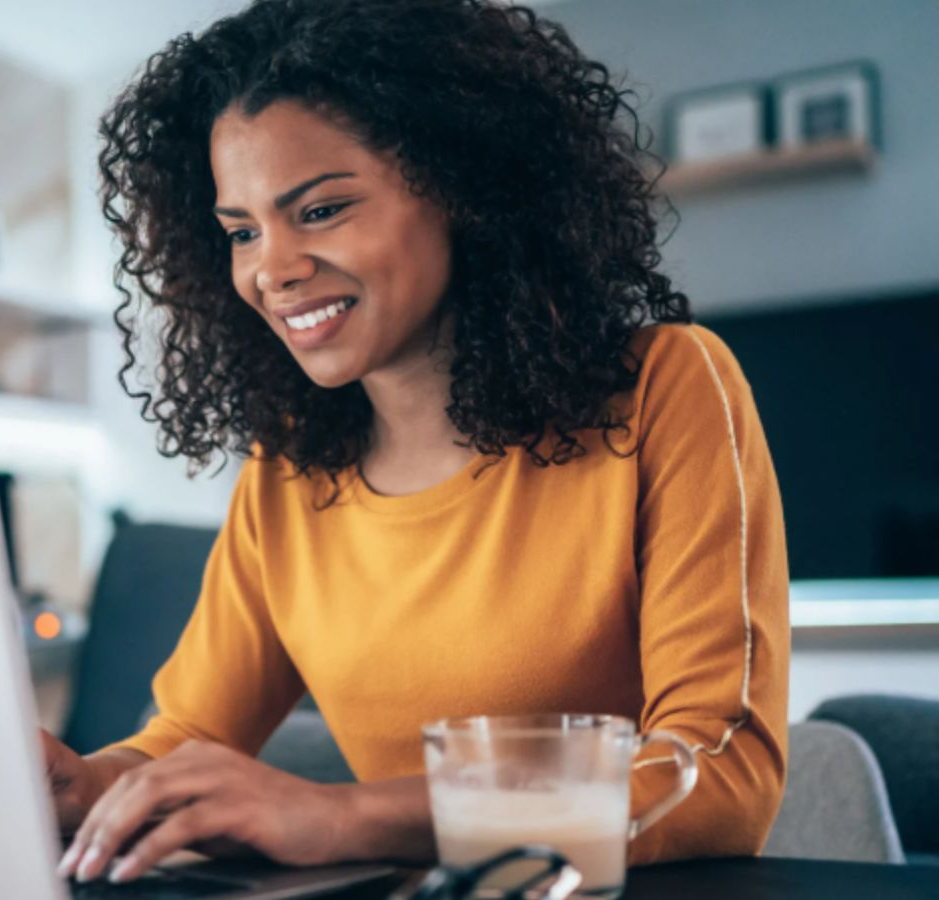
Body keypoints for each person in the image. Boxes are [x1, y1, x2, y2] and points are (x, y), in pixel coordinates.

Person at [41, 0, 789, 885]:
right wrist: (85, 785)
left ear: (461, 188)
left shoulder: (666, 386)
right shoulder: (288, 466)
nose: (270, 270)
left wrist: (340, 815)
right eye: (241, 231)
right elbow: (186, 738)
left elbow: (720, 775)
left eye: (320, 210)